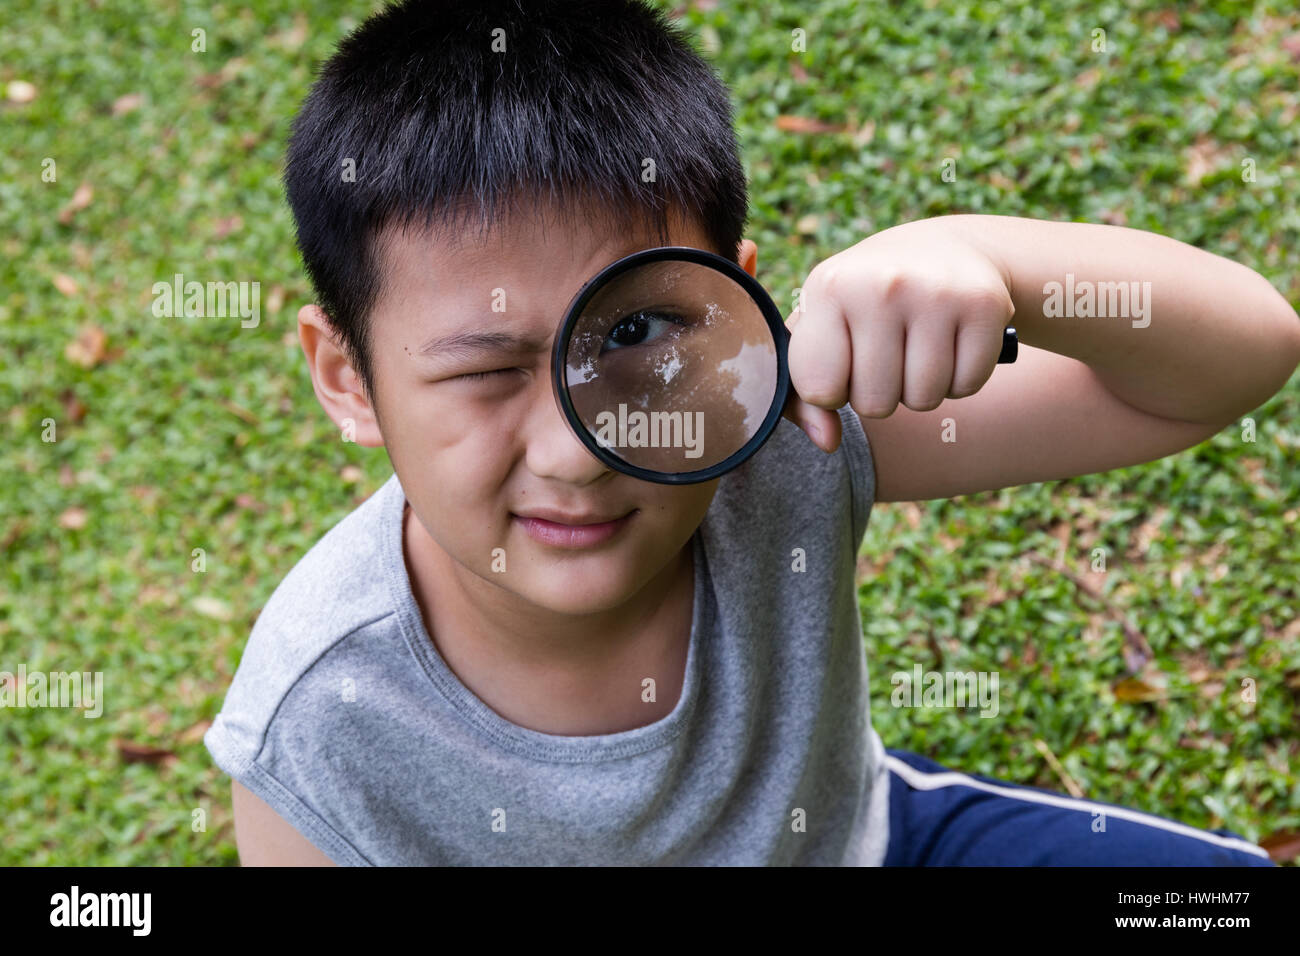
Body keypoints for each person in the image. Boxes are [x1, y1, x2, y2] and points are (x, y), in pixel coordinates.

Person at [204, 0, 1297, 866]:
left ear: (736, 311)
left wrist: (993, 260)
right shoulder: (316, 718)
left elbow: (1232, 363)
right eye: (486, 370)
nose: (577, 448)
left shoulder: (781, 433)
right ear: (347, 377)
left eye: (637, 332)